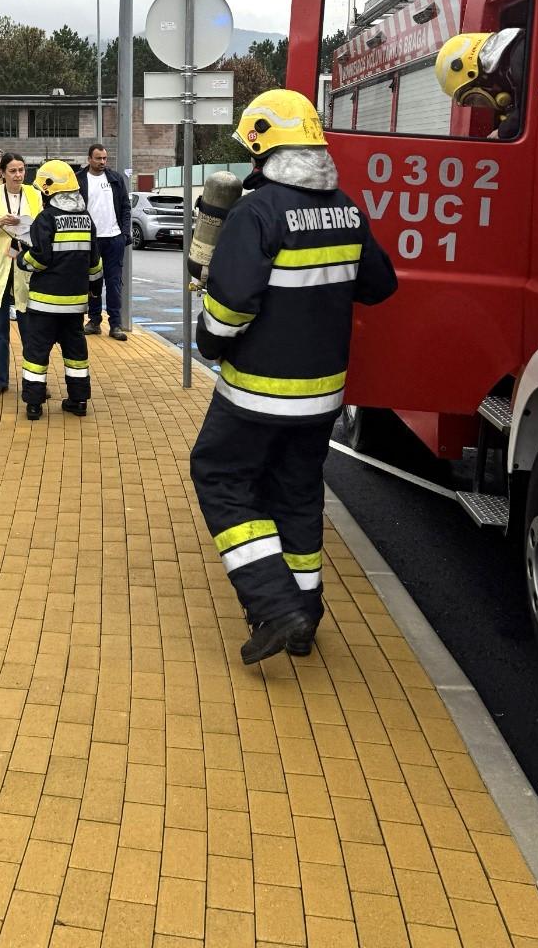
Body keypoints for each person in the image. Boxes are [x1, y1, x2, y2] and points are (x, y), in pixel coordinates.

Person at [189, 89, 397, 665]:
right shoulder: (347, 210)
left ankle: (274, 604)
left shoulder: (258, 213)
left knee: (220, 476)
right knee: (298, 494)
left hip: (256, 393)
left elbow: (230, 305)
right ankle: (305, 619)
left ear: (264, 150)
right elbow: (381, 286)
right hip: (322, 397)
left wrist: (209, 340)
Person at [16, 160, 103, 421]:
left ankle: (34, 405)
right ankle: (78, 401)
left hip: (44, 304)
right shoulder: (86, 219)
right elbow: (95, 263)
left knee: (36, 354)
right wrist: (95, 291)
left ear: (48, 191)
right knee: (76, 353)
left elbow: (39, 259)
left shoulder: (46, 218)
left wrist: (22, 259)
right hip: (75, 305)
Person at [0, 152, 43, 397]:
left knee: (31, 332)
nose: (18, 175)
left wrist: (27, 230)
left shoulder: (35, 195)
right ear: (2, 173)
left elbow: (42, 231)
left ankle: (34, 382)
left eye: (22, 170)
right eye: (13, 171)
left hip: (25, 270)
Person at [76, 143, 130, 340]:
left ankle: (115, 324)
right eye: (98, 158)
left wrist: (124, 234)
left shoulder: (116, 179)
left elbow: (125, 207)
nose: (102, 162)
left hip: (114, 239)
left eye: (104, 158)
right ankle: (94, 321)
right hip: (91, 240)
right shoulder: (79, 179)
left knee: (114, 283)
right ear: (89, 159)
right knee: (92, 283)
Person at [434, 28, 525, 142]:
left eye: (475, 98)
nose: (483, 103)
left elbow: (531, 108)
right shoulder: (520, 53)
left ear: (479, 76)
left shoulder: (520, 59)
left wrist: (503, 131)